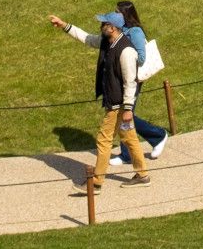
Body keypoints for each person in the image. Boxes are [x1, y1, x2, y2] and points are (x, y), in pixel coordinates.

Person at [46, 10, 150, 190]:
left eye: (104, 24)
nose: (101, 27)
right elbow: (86, 38)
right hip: (117, 103)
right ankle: (142, 174)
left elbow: (130, 82)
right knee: (129, 137)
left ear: (113, 28)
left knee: (103, 140)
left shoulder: (126, 51)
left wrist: (127, 109)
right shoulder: (107, 41)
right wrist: (64, 25)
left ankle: (95, 183)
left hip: (118, 106)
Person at [106, 0, 168, 165]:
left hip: (132, 78)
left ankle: (158, 135)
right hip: (121, 77)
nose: (114, 14)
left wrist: (124, 56)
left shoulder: (135, 31)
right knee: (124, 114)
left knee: (127, 115)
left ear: (125, 14)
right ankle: (127, 153)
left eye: (117, 12)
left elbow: (141, 57)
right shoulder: (120, 29)